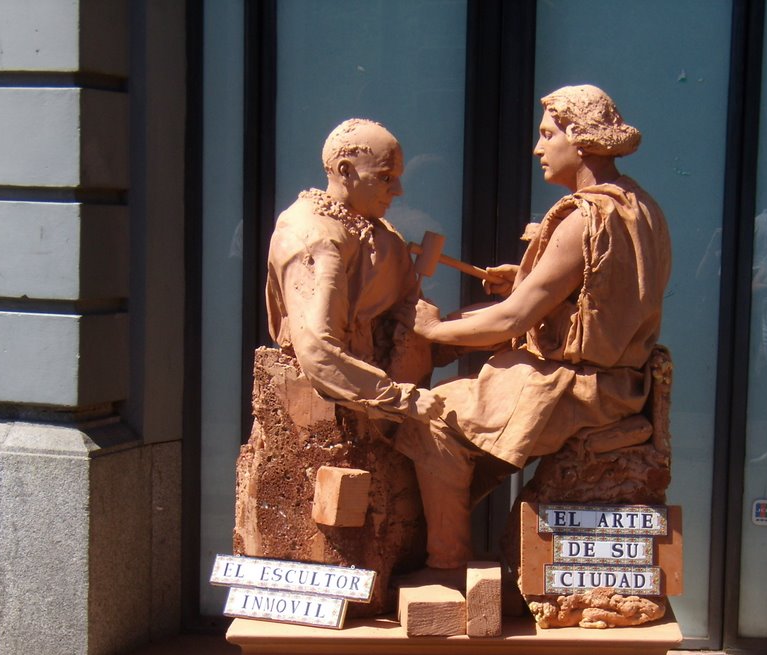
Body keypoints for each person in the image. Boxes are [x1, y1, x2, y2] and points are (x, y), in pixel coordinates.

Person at [395, 85, 672, 570]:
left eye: (548, 135)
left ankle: (448, 570)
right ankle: (441, 543)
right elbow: (599, 292)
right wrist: (524, 278)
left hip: (582, 387)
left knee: (431, 420)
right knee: (475, 420)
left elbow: (512, 319)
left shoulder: (586, 218)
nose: (537, 148)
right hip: (622, 378)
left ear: (581, 140)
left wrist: (431, 330)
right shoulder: (640, 205)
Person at [265, 118, 442, 424]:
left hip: (385, 412)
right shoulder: (312, 236)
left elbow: (414, 322)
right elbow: (317, 351)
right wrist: (399, 399)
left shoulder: (383, 234)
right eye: (386, 178)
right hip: (328, 416)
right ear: (346, 171)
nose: (398, 190)